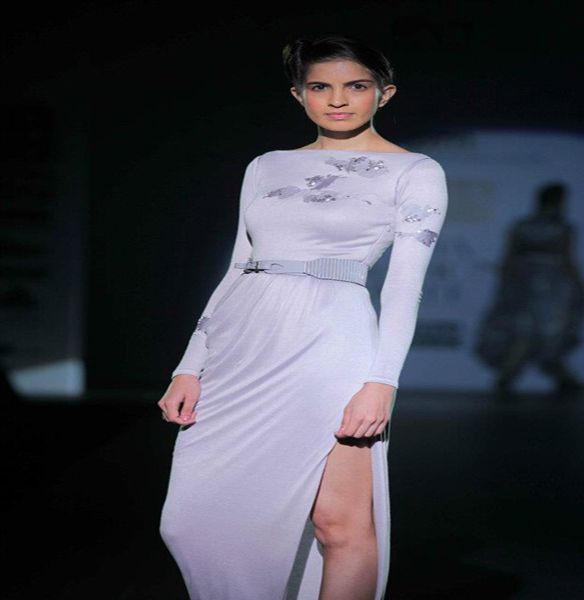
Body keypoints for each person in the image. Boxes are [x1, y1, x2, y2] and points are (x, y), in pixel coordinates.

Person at [158, 33, 448, 600]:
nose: (337, 99)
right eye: (320, 87)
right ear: (298, 95)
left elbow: (403, 288)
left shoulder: (415, 170)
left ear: (384, 94)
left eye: (356, 86)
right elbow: (238, 267)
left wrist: (381, 382)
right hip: (240, 345)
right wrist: (189, 364)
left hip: (330, 345)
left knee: (338, 523)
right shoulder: (266, 166)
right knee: (187, 524)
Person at [475, 182, 584, 397]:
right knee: (534, 333)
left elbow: (510, 256)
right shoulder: (560, 228)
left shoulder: (525, 226)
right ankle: (511, 378)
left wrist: (504, 285)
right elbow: (567, 259)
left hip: (537, 286)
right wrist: (582, 286)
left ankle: (520, 377)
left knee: (537, 334)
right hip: (542, 287)